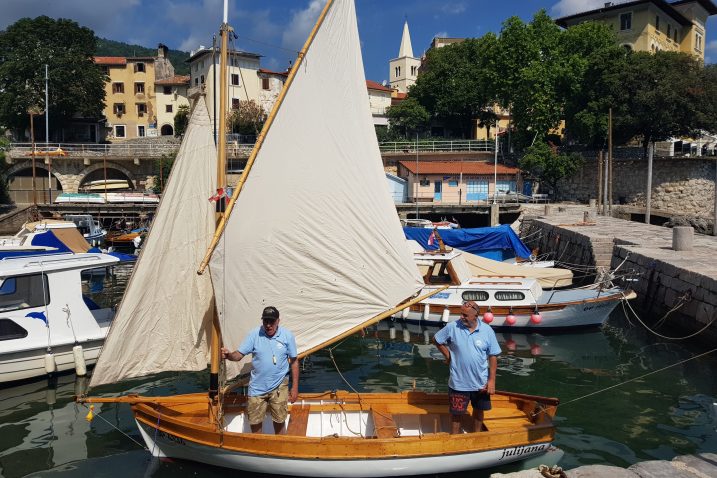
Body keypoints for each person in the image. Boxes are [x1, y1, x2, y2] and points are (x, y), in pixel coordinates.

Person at [221, 306, 299, 434]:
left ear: (278, 321)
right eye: (265, 321)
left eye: (271, 322)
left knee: (279, 421)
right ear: (262, 321)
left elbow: (294, 361)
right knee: (255, 422)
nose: (268, 325)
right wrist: (229, 355)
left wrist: (294, 388)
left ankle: (279, 447)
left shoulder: (287, 336)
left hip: (279, 386)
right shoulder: (254, 335)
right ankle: (258, 448)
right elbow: (238, 355)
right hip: (257, 387)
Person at [433, 300, 501, 434]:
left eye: (465, 315)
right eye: (461, 314)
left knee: (479, 411)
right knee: (456, 414)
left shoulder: (487, 330)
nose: (461, 317)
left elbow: (493, 356)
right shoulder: (452, 327)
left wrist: (491, 381)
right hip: (458, 383)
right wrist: (448, 356)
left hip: (480, 383)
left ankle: (476, 436)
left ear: (475, 316)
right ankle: (455, 439)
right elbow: (437, 339)